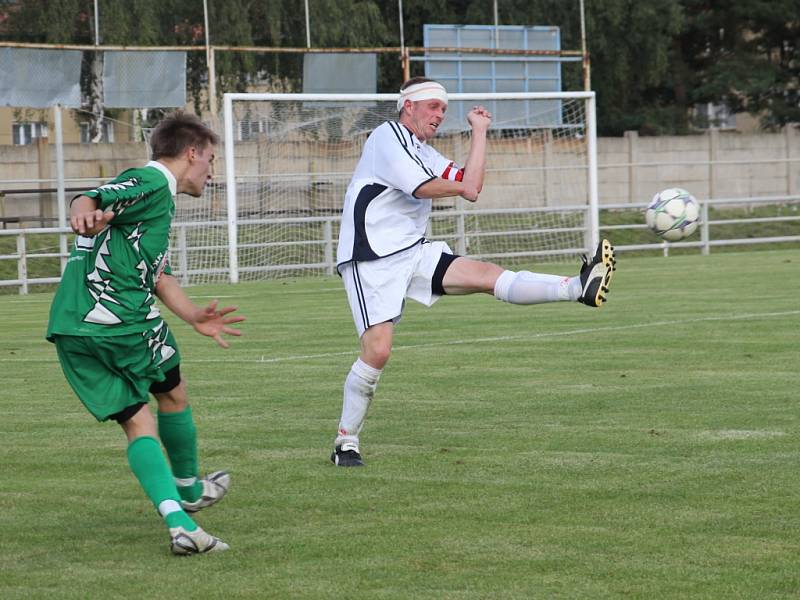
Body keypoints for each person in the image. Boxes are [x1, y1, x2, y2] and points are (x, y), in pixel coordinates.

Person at [331, 77, 616, 467]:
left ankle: (577, 287)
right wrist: (462, 184)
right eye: (432, 106)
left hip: (412, 252)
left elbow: (473, 186)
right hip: (372, 258)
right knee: (378, 352)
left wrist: (479, 132)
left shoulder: (425, 152)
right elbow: (425, 188)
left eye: (444, 109)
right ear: (408, 106)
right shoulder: (387, 136)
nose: (439, 114)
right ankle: (346, 441)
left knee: (486, 274)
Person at [46, 112, 244, 554]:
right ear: (191, 153)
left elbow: (158, 275)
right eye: (210, 159)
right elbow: (90, 195)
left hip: (71, 328)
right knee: (173, 391)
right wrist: (83, 214)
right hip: (121, 322)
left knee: (137, 421)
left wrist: (193, 315)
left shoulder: (151, 210)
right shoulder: (153, 182)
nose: (212, 170)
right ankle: (190, 490)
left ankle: (180, 524)